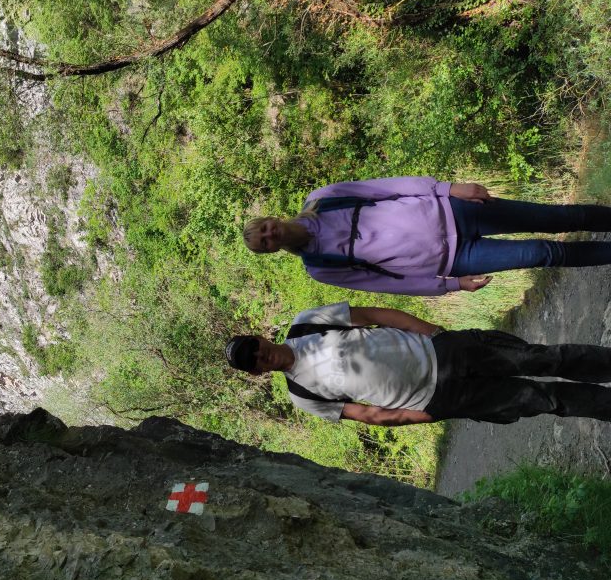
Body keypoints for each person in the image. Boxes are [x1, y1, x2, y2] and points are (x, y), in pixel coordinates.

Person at [224, 301, 611, 426]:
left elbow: (376, 315)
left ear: (259, 338)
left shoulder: (307, 323)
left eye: (252, 347)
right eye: (251, 362)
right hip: (437, 398)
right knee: (541, 400)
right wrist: (427, 415)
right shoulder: (302, 395)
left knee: (544, 358)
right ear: (257, 372)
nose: (258, 355)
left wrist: (436, 332)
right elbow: (369, 415)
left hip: (443, 351)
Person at [243, 176, 611, 296]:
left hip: (455, 210)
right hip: (456, 259)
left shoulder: (323, 199)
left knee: (557, 217)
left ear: (269, 219)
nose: (270, 234)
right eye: (265, 242)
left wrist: (449, 188)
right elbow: (385, 283)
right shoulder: (320, 267)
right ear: (271, 251)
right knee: (544, 253)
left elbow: (390, 187)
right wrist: (450, 286)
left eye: (264, 228)